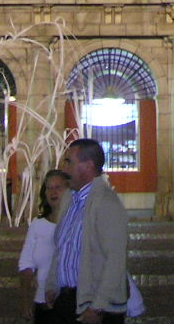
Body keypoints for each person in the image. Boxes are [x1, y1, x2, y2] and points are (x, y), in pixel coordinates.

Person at [44, 139, 130, 324]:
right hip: (67, 301)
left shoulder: (107, 203)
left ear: (88, 166)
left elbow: (115, 260)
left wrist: (98, 307)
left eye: (69, 162)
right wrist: (52, 284)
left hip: (94, 308)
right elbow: (62, 248)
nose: (64, 169)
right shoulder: (69, 199)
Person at [18, 168, 71, 322]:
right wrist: (25, 299)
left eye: (58, 187)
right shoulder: (37, 224)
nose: (53, 192)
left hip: (70, 300)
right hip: (42, 300)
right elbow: (26, 263)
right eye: (49, 188)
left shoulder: (76, 223)